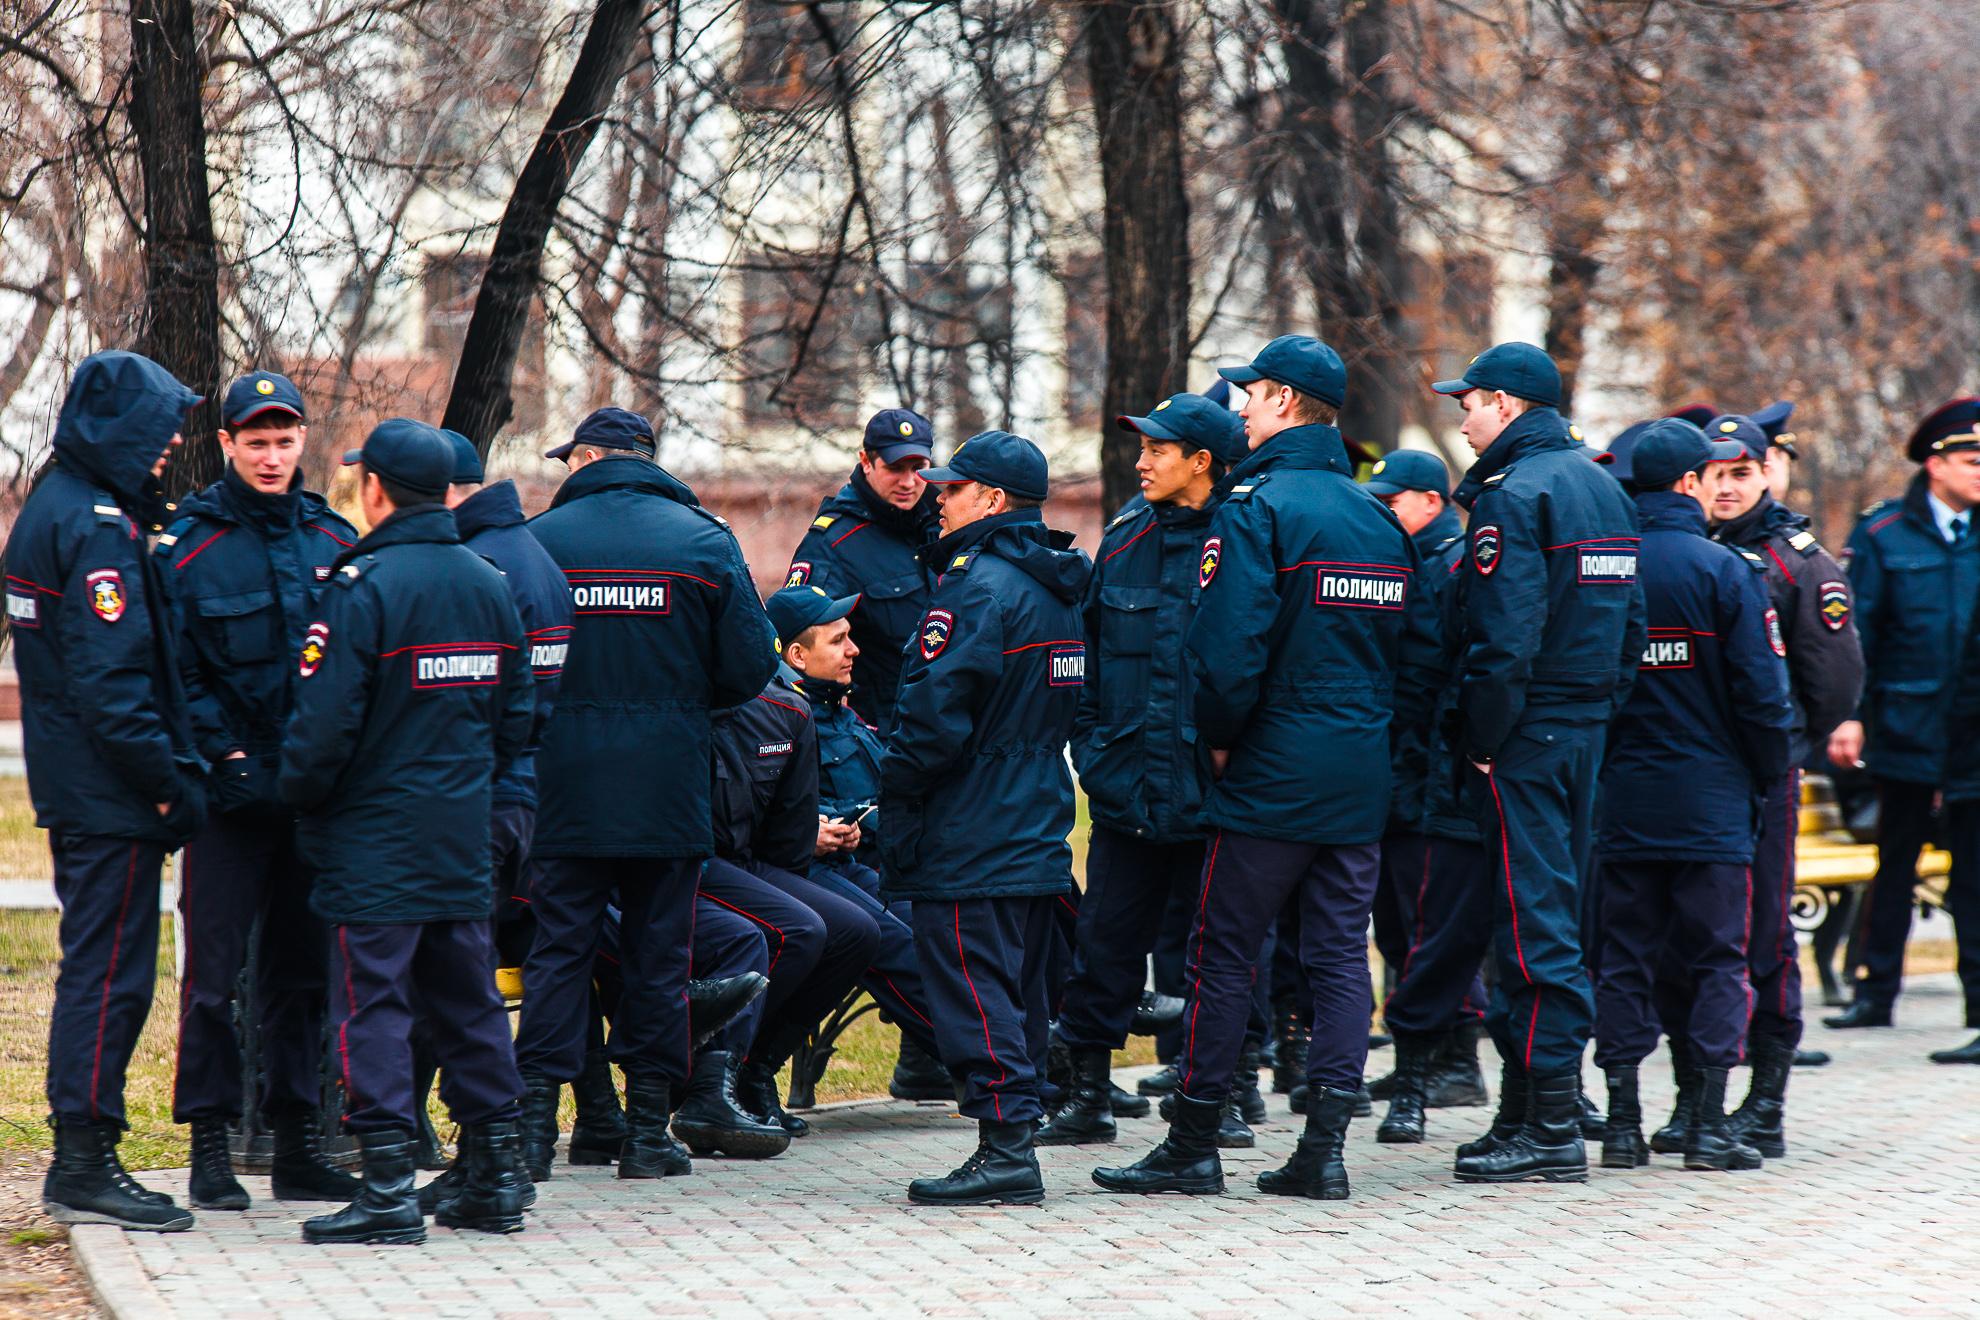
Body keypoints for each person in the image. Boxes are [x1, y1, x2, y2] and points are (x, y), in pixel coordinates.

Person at [1093, 336, 1438, 1202]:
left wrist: (1218, 741)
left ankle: (1195, 1141)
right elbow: (1421, 657)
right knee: (1336, 959)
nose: (1239, 406)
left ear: (1283, 400)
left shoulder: (1255, 505)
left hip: (1267, 771)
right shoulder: (1376, 516)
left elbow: (1226, 651)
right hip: (1357, 774)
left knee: (1222, 954)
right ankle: (1323, 1151)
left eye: (1249, 394)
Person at [279, 419, 536, 1245]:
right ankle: (495, 1180)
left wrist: (300, 801)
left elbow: (322, 733)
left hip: (376, 842)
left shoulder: (364, 588)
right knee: (469, 1004)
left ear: (376, 489)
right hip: (460, 835)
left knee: (375, 1008)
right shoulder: (486, 581)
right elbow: (517, 720)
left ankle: (388, 1189)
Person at [512, 407, 777, 1184]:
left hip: (563, 788)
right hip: (667, 787)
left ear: (589, 457)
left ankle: (532, 1132)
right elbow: (750, 668)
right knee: (660, 958)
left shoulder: (536, 543)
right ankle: (646, 1133)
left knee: (559, 953)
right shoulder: (702, 540)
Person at [1431, 342, 1645, 1185]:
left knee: (1531, 925)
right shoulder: (1601, 485)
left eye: (1471, 403)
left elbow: (1503, 641)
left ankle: (1550, 1124)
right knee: (1549, 912)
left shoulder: (1516, 495)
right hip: (1583, 724)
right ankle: (1525, 1109)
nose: (1464, 418)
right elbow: (1629, 627)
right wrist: (1595, 710)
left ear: (1510, 406)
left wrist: (1484, 738)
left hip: (1527, 733)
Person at [152, 371, 363, 1211]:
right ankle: (209, 1144)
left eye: (284, 441)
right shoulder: (191, 546)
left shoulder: (333, 541)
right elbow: (179, 670)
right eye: (256, 442)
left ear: (302, 442)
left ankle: (297, 1141)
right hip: (227, 803)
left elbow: (350, 666)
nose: (272, 457)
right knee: (213, 977)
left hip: (311, 802)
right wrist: (228, 761)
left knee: (302, 975)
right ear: (228, 445)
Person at [11, 351, 207, 1232]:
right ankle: (84, 1159)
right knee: (110, 977)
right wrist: (167, 789)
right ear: (119, 429)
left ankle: (84, 1152)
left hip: (83, 789)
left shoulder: (57, 510)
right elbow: (114, 688)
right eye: (161, 427)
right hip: (109, 797)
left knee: (102, 968)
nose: (171, 444)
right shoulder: (92, 528)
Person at [878, 430, 1089, 1206]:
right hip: (1033, 815)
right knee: (1018, 987)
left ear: (993, 501)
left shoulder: (977, 587)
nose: (938, 499)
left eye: (953, 489)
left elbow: (934, 720)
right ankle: (1013, 1137)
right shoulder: (1058, 584)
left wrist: (892, 787)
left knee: (974, 986)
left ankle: (1004, 1149)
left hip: (972, 822)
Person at [1038, 392, 1245, 1148]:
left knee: (1217, 950)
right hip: (1126, 787)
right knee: (1104, 945)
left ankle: (1219, 1097)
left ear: (1201, 462)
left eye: (1158, 449)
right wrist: (1094, 751)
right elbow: (1087, 662)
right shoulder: (1125, 536)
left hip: (1214, 794)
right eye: (1142, 447)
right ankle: (1087, 1095)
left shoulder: (1243, 535)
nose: (1141, 460)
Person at [1589, 419, 1793, 1174]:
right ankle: (1707, 1127)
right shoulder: (1723, 570)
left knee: (1623, 958)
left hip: (1625, 799)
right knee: (1716, 960)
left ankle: (1621, 1125)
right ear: (1687, 484)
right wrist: (1766, 777)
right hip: (1712, 802)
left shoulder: (1606, 568)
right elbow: (1764, 698)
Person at [403, 429, 580, 1204]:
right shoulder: (529, 553)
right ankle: (482, 1145)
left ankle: (474, 1147)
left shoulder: (486, 564)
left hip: (480, 801)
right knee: (470, 977)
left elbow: (492, 706)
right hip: (525, 799)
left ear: (447, 491)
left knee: (449, 976)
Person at [1682, 414, 1863, 1150]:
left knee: (1762, 934)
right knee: (1694, 934)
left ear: (1766, 473)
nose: (1727, 489)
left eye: (1741, 474)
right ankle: (1700, 1095)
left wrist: (1786, 746)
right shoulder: (1692, 549)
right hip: (1697, 773)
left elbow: (1835, 682)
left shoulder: (1798, 562)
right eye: (1714, 475)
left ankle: (1765, 1100)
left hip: (1763, 774)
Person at [1828, 401, 1980, 1048]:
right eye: (1973, 462)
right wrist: (1851, 717)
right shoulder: (1884, 532)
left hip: (1973, 731)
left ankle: (1977, 1007)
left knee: (1974, 871)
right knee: (1895, 864)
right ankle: (1874, 992)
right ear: (1935, 463)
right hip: (1904, 723)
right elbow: (1858, 634)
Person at [1361, 448, 1493, 1144]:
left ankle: (1456, 1059)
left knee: (1430, 924)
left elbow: (1430, 680)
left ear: (1431, 503)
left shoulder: (1449, 562)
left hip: (1429, 775)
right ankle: (1424, 1055)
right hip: (1402, 772)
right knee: (1399, 922)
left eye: (1392, 502)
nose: (1382, 513)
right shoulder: (1412, 560)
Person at [765, 585, 943, 1093]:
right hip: (810, 871)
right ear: (797, 656)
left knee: (952, 930)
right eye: (838, 640)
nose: (854, 649)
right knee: (896, 941)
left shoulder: (844, 714)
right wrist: (822, 828)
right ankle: (995, 1072)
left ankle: (1019, 1056)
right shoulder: (784, 716)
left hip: (868, 866)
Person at [784, 408, 940, 733]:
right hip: (882, 735)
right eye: (895, 468)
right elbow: (801, 651)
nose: (909, 482)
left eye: (918, 468)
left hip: (949, 728)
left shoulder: (946, 524)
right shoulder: (833, 543)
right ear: (866, 462)